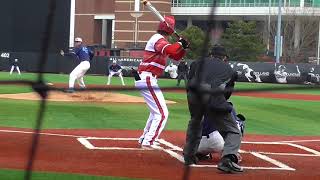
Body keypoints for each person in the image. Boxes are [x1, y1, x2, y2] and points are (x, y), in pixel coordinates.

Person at [183, 45, 243, 173]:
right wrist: (220, 107)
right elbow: (227, 93)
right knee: (233, 131)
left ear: (210, 55)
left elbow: (189, 81)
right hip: (213, 96)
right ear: (225, 58)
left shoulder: (197, 62)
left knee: (195, 121)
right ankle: (228, 160)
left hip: (193, 95)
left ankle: (189, 155)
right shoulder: (229, 69)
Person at [135, 15, 189, 148]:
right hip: (147, 78)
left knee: (156, 112)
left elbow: (175, 56)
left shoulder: (161, 40)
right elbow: (171, 49)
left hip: (147, 78)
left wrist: (184, 47)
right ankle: (149, 141)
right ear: (170, 29)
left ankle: (145, 138)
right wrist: (180, 43)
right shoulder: (157, 39)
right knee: (162, 113)